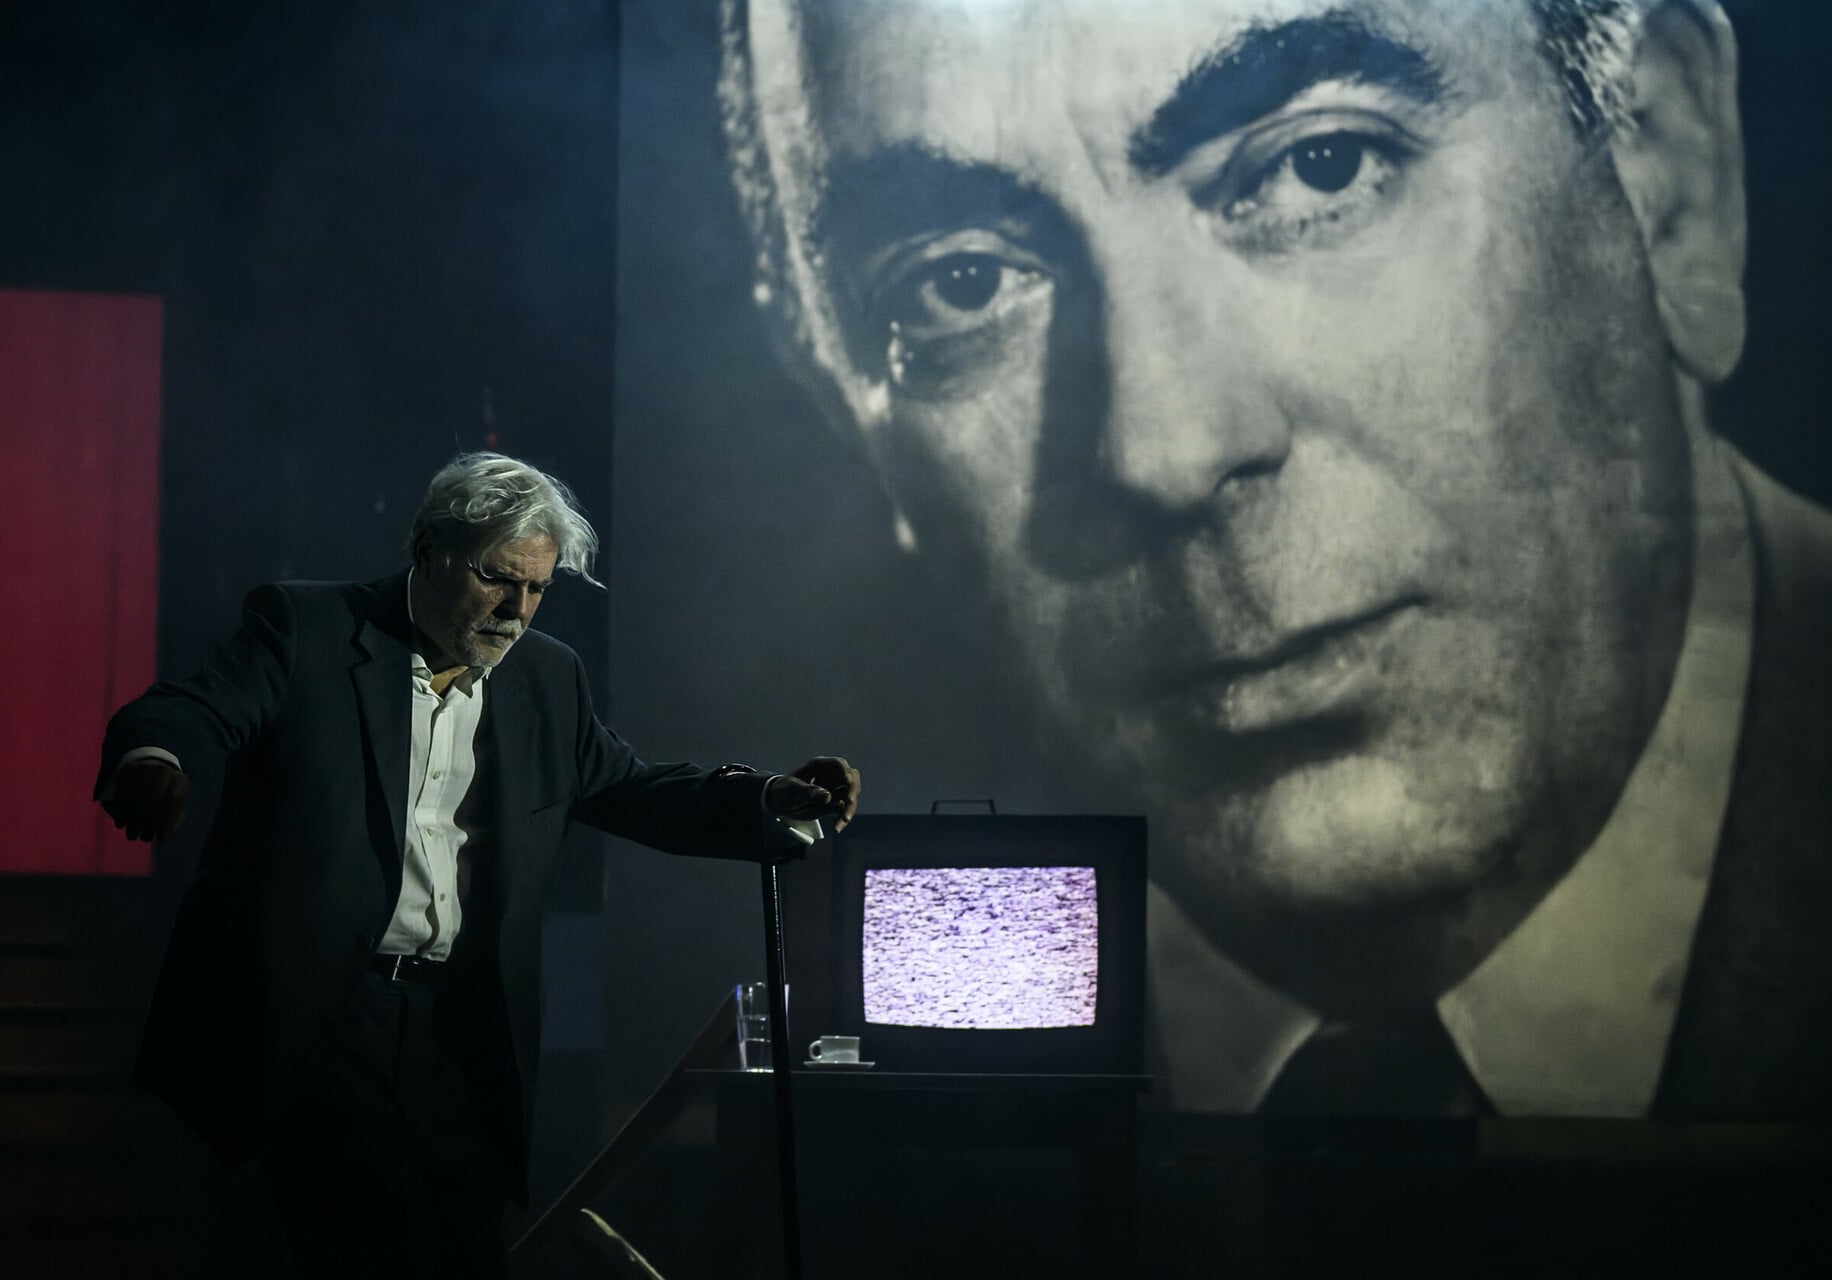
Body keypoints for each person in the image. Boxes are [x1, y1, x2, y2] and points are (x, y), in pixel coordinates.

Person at [714, 0, 1832, 1117]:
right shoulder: (795, 1037)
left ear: (1667, 172)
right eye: (961, 284)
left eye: (1319, 166)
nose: (1164, 449)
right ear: (839, 411)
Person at [96, 452, 860, 1273]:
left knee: (465, 1247)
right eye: (498, 578)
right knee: (378, 1238)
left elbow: (630, 788)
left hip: (463, 1028)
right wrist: (155, 758)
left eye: (538, 588)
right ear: (429, 548)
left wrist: (768, 801)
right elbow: (189, 708)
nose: (516, 609)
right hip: (324, 1009)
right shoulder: (308, 628)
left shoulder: (546, 677)